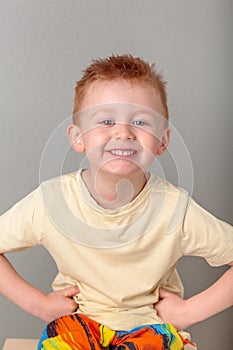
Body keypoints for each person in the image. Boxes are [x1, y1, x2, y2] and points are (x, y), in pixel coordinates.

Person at [0, 54, 232, 350]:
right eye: (106, 120)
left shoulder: (175, 209)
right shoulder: (52, 201)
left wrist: (188, 312)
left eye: (140, 121)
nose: (123, 132)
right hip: (78, 327)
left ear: (162, 141)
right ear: (77, 137)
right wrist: (39, 305)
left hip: (151, 329)